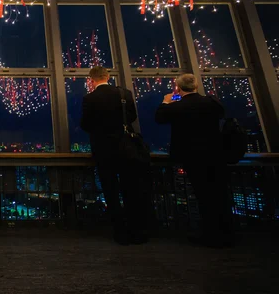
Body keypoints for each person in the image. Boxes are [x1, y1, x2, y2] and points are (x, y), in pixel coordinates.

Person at [155, 74, 232, 248]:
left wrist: (166, 102)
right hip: (216, 154)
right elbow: (221, 113)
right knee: (220, 194)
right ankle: (227, 234)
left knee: (204, 195)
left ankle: (211, 234)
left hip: (193, 156)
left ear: (179, 88)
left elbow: (159, 118)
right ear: (196, 86)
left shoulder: (178, 107)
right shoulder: (211, 103)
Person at [80, 66, 151, 245]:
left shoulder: (90, 98)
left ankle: (120, 232)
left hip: (103, 149)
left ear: (91, 79)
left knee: (110, 191)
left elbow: (86, 124)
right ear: (108, 76)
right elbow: (132, 117)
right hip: (126, 148)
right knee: (131, 189)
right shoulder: (123, 94)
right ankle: (137, 231)